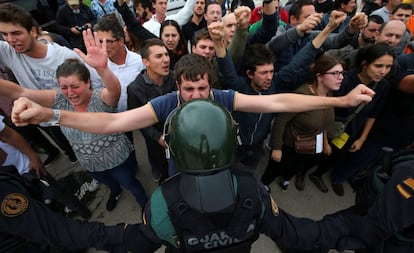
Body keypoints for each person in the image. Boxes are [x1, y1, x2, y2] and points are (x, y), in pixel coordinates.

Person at [1, 29, 148, 211]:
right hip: (89, 163)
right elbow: (21, 92)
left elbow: (114, 90)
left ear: (88, 82)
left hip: (118, 160)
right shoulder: (60, 100)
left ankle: (146, 210)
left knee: (132, 184)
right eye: (64, 87)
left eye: (75, 86)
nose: (70, 93)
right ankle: (115, 191)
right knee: (109, 183)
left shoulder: (101, 98)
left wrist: (102, 69)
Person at [309, 43, 394, 196]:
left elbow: (373, 114)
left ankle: (317, 175)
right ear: (364, 63)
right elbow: (326, 105)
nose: (383, 71)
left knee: (335, 156)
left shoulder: (383, 87)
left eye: (388, 67)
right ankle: (300, 173)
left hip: (350, 130)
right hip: (327, 124)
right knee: (314, 151)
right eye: (378, 65)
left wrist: (361, 139)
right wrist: (325, 138)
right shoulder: (344, 78)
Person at [261, 54, 344, 191]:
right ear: (320, 76)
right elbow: (281, 121)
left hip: (309, 145)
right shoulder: (302, 95)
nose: (341, 77)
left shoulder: (329, 95)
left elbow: (322, 123)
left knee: (297, 165)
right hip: (289, 144)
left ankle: (286, 179)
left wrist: (325, 143)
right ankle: (264, 185)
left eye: (341, 73)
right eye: (335, 73)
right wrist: (276, 148)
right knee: (276, 167)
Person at [127, 38, 176, 183]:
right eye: (159, 56)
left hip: (177, 132)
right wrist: (157, 137)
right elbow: (138, 121)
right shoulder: (135, 89)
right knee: (160, 164)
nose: (166, 60)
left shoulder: (175, 77)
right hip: (155, 140)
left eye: (166, 55)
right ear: (145, 62)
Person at [93, 13, 145, 112]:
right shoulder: (97, 68)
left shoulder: (139, 62)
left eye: (109, 41)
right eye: (100, 42)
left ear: (121, 41)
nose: (104, 46)